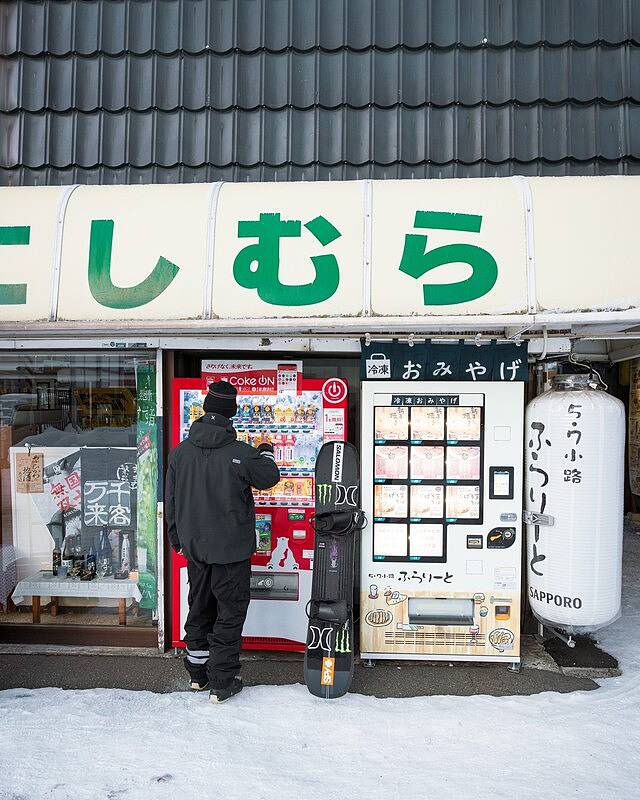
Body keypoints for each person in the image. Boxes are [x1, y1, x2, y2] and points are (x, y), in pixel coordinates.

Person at [165, 380, 280, 703]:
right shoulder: (241, 453)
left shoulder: (180, 453)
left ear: (204, 410)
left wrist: (178, 541)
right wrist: (266, 453)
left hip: (195, 549)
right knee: (229, 613)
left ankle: (197, 676)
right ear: (232, 414)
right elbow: (270, 478)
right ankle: (222, 681)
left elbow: (170, 500)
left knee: (199, 609)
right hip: (231, 550)